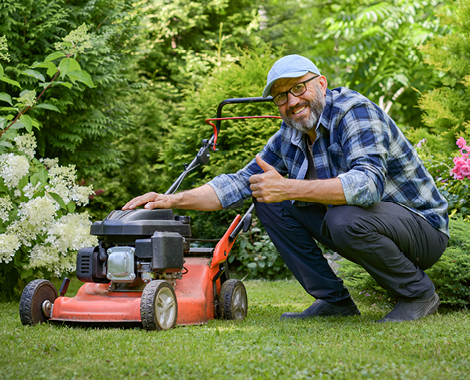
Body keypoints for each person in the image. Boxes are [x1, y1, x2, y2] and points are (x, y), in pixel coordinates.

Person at [123, 54, 449, 323]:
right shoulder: (288, 136)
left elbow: (368, 185)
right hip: (365, 223)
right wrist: (171, 199)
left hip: (422, 229)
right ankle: (334, 301)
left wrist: (288, 187)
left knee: (343, 218)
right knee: (265, 197)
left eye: (297, 88)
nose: (292, 102)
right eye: (281, 95)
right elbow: (238, 183)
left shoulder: (353, 111)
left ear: (320, 84)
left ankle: (417, 294)